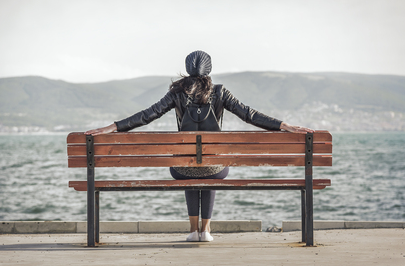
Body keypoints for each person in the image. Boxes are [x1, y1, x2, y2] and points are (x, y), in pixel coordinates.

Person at [85, 50, 314, 242]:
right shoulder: (220, 92)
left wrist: (113, 127)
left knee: (188, 166)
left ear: (187, 69)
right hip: (216, 168)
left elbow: (147, 115)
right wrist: (285, 126)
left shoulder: (176, 92)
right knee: (211, 167)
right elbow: (249, 114)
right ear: (209, 70)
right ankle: (206, 231)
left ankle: (193, 231)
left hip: (181, 168)